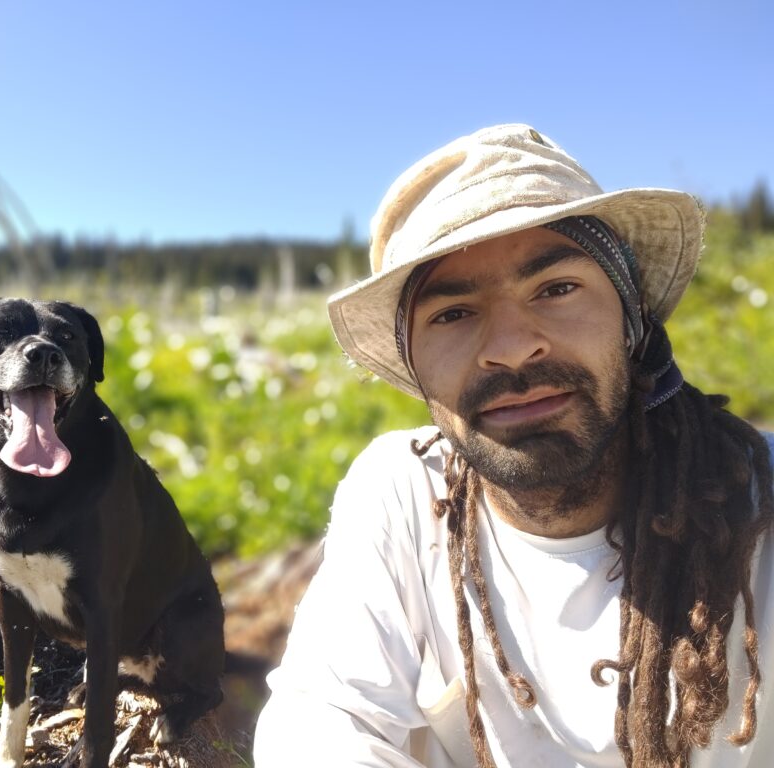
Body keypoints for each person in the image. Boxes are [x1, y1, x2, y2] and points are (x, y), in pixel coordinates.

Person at [253, 124, 774, 767]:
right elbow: (320, 720)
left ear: (631, 314)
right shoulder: (406, 493)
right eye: (452, 313)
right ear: (416, 366)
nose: (509, 348)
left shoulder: (758, 495)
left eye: (556, 289)